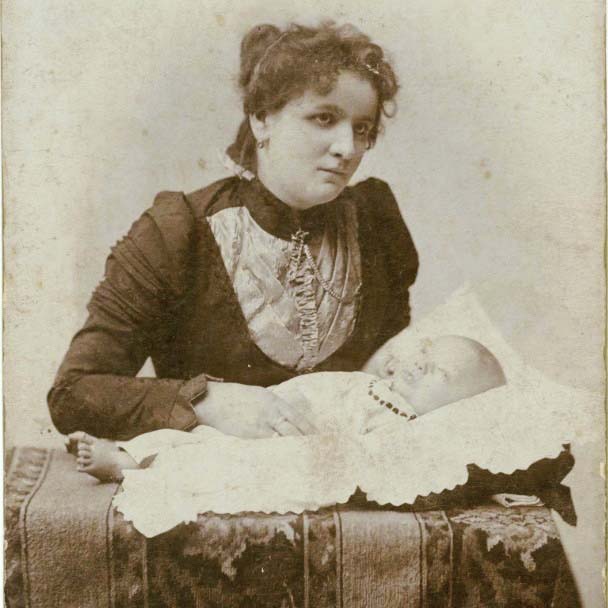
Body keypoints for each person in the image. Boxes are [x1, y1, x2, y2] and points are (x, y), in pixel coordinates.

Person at [48, 22, 419, 442]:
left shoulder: (375, 221)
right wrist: (204, 402)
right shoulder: (177, 231)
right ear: (261, 119)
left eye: (361, 128)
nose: (347, 148)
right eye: (324, 118)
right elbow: (73, 394)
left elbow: (395, 377)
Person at [71, 334, 506, 481]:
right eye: (427, 351)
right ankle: (129, 451)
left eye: (440, 373)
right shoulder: (379, 383)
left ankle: (127, 466)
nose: (421, 363)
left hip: (283, 443)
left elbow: (362, 456)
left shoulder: (403, 425)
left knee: (208, 457)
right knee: (188, 432)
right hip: (264, 410)